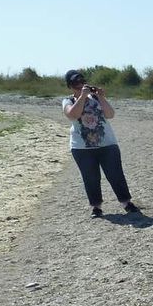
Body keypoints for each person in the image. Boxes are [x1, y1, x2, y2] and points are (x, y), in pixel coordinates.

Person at [61, 69, 138, 217]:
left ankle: (126, 202)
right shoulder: (68, 101)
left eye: (82, 81)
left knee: (115, 174)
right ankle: (96, 206)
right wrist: (82, 97)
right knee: (90, 177)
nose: (79, 84)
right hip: (82, 147)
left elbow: (110, 114)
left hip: (107, 144)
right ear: (69, 86)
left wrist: (101, 97)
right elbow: (73, 115)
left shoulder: (95, 98)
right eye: (75, 82)